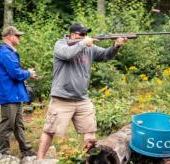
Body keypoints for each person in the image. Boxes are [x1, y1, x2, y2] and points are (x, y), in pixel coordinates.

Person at [36, 23, 127, 159]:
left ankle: (88, 159)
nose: (85, 36)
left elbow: (105, 55)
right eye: (82, 34)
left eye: (86, 34)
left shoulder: (88, 47)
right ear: (72, 35)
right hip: (62, 98)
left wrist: (116, 46)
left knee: (90, 131)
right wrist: (84, 43)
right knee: (50, 131)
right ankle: (39, 159)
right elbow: (67, 54)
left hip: (82, 98)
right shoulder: (60, 44)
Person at [0, 26, 36, 162]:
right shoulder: (5, 53)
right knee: (7, 125)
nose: (19, 38)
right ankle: (3, 153)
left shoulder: (8, 52)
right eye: (17, 36)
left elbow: (14, 71)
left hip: (14, 94)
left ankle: (27, 152)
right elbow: (15, 73)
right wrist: (28, 73)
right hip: (8, 95)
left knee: (18, 125)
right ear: (9, 36)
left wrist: (26, 72)